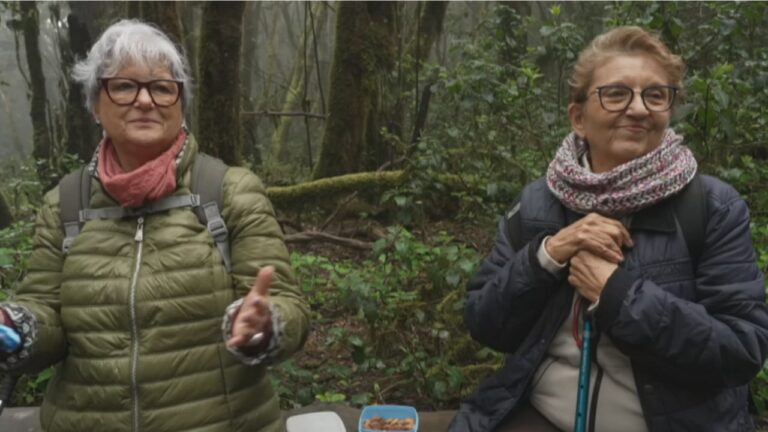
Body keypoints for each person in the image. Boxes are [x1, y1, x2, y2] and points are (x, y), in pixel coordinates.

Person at [451, 26, 768, 432]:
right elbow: (485, 323)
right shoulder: (538, 203)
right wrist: (547, 256)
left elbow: (742, 350)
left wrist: (617, 296)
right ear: (578, 117)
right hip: (543, 415)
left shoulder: (711, 207)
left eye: (655, 95)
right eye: (616, 93)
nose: (638, 108)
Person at [0, 19, 310, 432]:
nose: (145, 100)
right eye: (124, 86)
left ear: (180, 105)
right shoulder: (66, 204)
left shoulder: (228, 191)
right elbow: (46, 315)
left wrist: (266, 324)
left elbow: (287, 305)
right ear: (95, 104)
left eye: (162, 88)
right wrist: (15, 327)